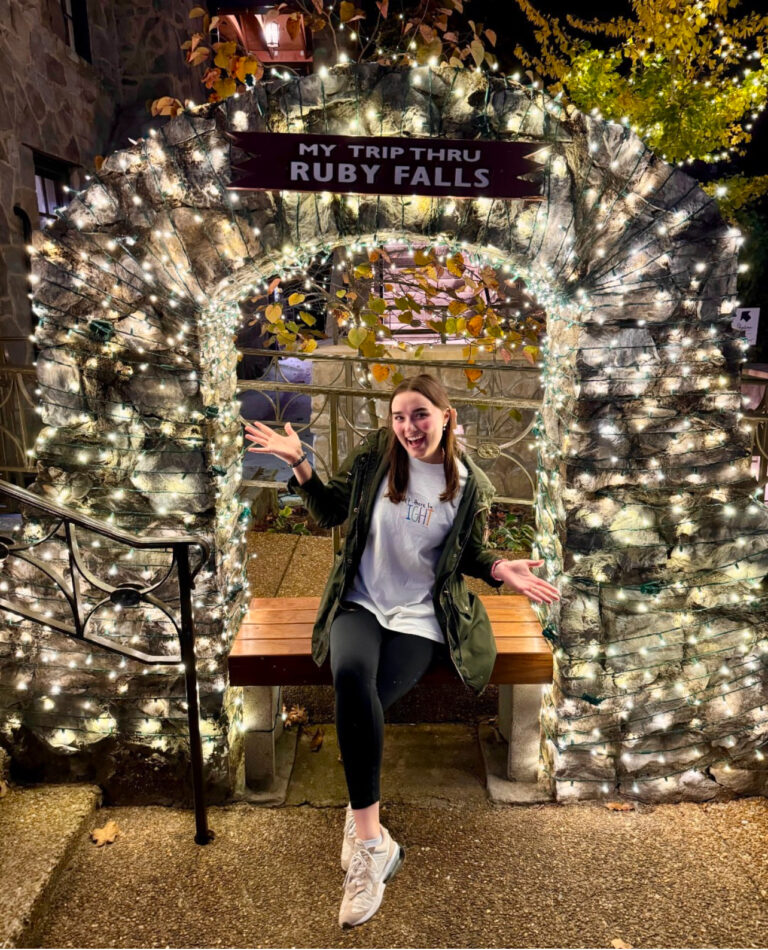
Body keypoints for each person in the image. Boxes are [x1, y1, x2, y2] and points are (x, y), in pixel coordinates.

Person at [244, 373, 559, 929]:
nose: (409, 427)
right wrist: (300, 465)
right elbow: (328, 512)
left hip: (419, 616)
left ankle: (358, 812)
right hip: (359, 603)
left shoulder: (469, 485)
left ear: (446, 416)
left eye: (419, 415)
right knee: (351, 677)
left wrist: (497, 568)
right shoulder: (375, 458)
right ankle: (373, 845)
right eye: (398, 416)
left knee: (361, 713)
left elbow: (471, 554)